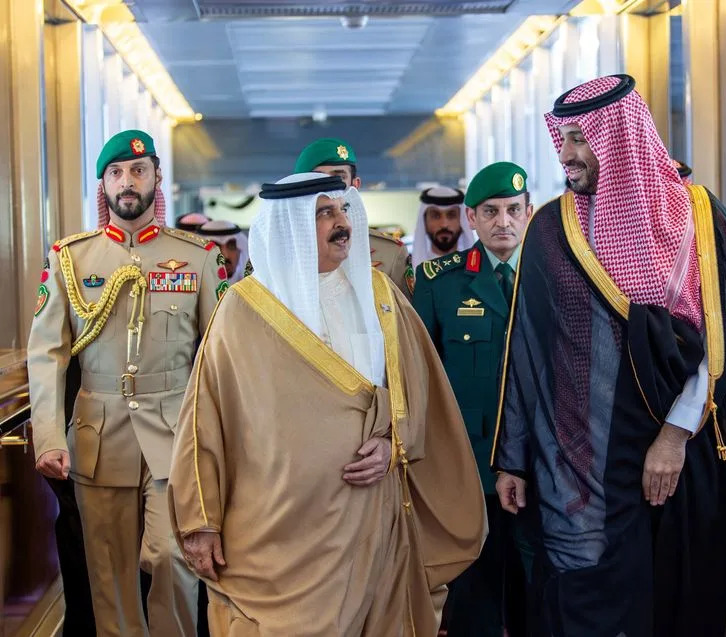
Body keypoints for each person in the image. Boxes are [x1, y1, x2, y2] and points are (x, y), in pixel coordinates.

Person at [492, 74, 726, 637]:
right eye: (563, 139)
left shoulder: (699, 217)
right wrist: (513, 456)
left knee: (688, 596)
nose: (566, 155)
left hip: (688, 444)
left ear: (620, 138)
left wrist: (674, 436)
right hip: (586, 461)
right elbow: (531, 351)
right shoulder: (551, 229)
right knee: (594, 600)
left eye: (581, 139)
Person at [168, 172, 486, 636]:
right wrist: (200, 519)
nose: (342, 223)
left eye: (343, 210)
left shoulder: (379, 296)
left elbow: (419, 392)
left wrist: (393, 443)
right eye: (324, 213)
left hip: (370, 521)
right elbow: (204, 421)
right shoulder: (242, 310)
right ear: (292, 225)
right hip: (276, 537)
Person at [28, 129, 228, 637]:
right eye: (116, 173)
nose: (127, 182)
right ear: (104, 186)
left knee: (171, 559)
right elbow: (47, 353)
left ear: (156, 177)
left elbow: (221, 356)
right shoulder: (70, 259)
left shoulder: (200, 257)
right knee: (110, 577)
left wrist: (224, 442)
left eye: (138, 171)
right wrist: (48, 437)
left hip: (176, 435)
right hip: (98, 438)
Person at [413, 162, 531, 636]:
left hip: (539, 466)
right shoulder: (440, 281)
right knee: (472, 605)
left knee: (535, 599)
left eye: (513, 210)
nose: (503, 221)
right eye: (490, 211)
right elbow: (421, 377)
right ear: (472, 218)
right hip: (468, 466)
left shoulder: (552, 277)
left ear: (528, 213)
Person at [295, 137, 415, 298]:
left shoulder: (390, 253)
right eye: (318, 179)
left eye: (338, 178)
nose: (329, 187)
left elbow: (402, 312)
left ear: (355, 185)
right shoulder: (276, 251)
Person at [411, 186, 474, 269]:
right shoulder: (410, 270)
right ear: (424, 223)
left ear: (462, 221)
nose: (444, 224)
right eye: (435, 216)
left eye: (451, 215)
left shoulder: (482, 267)